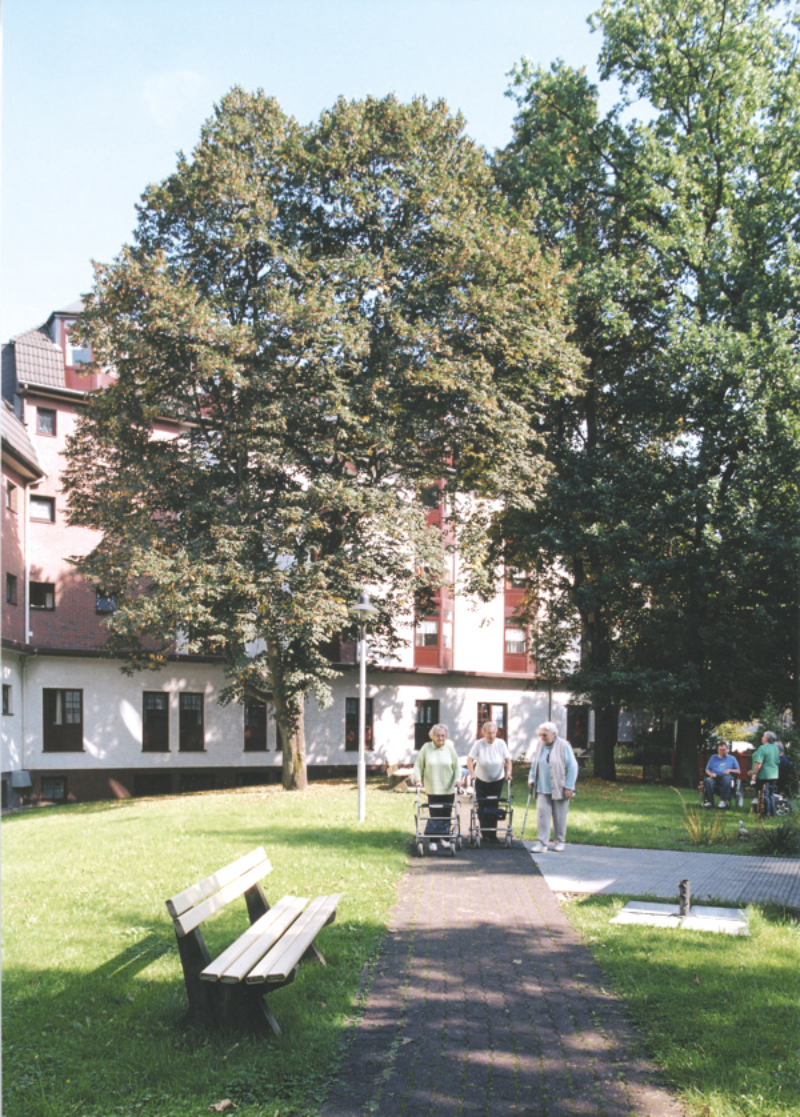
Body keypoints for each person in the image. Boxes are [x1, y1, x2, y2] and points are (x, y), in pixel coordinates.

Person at [527, 721, 578, 853]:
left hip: (559, 787)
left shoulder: (564, 745)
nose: (542, 737)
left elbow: (572, 767)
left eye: (545, 735)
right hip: (542, 787)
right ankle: (542, 843)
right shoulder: (540, 745)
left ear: (554, 734)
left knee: (560, 816)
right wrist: (531, 778)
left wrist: (569, 786)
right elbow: (535, 764)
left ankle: (560, 841)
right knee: (542, 816)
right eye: (540, 735)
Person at [413, 723, 461, 852]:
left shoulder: (450, 748)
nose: (441, 738)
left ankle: (445, 839)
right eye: (438, 735)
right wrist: (418, 779)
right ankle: (433, 840)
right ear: (433, 736)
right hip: (433, 787)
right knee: (435, 814)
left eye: (443, 736)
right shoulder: (426, 748)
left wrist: (457, 780)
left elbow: (457, 766)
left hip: (448, 787)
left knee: (446, 814)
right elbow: (418, 765)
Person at [467, 721, 512, 842]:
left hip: (497, 779)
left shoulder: (501, 743)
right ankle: (484, 834)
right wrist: (472, 773)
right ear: (483, 733)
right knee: (482, 805)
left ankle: (493, 834)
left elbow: (508, 760)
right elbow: (470, 760)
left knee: (493, 805)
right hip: (481, 779)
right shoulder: (479, 744)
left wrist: (508, 773)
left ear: (496, 732)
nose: (491, 736)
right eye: (488, 733)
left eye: (493, 733)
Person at [751, 731, 781, 817]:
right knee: (771, 794)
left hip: (764, 774)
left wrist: (754, 773)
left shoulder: (762, 748)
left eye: (763, 736)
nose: (762, 738)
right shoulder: (776, 748)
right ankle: (773, 813)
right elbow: (777, 761)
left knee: (764, 794)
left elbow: (758, 763)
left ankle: (765, 813)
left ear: (766, 739)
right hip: (774, 774)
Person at [702, 741, 740, 808]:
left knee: (726, 779)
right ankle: (709, 801)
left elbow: (738, 771)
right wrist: (710, 774)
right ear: (718, 750)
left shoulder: (732, 758)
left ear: (727, 750)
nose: (722, 751)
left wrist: (730, 770)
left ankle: (723, 801)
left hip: (726, 777)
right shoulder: (713, 757)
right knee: (708, 780)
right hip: (715, 777)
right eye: (720, 750)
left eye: (724, 750)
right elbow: (707, 769)